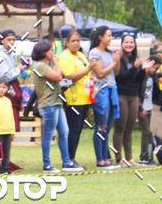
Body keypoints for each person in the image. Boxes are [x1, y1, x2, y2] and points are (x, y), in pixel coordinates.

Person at [32, 39, 84, 173]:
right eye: (50, 50)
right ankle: (47, 164)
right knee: (48, 135)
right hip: (48, 104)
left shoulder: (44, 66)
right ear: (44, 53)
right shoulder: (40, 66)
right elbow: (57, 76)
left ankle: (67, 162)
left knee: (64, 132)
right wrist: (56, 62)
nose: (52, 53)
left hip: (56, 103)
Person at [113, 33, 154, 166]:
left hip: (134, 96)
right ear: (122, 44)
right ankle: (119, 159)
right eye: (126, 42)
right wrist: (136, 67)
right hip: (121, 95)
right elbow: (121, 78)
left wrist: (143, 70)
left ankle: (129, 157)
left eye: (131, 42)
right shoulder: (119, 58)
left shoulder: (135, 58)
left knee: (129, 128)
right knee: (120, 127)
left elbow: (137, 80)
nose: (129, 45)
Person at [58, 29, 96, 165]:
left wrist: (90, 77)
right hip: (73, 99)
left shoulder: (80, 54)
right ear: (67, 43)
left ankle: (72, 157)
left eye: (78, 41)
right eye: (73, 41)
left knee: (78, 129)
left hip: (85, 97)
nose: (76, 44)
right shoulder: (65, 56)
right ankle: (68, 159)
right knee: (72, 130)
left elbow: (84, 72)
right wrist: (87, 70)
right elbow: (69, 77)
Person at [88, 26, 122, 168]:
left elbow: (117, 72)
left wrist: (117, 60)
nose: (111, 37)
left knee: (107, 126)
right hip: (101, 91)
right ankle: (100, 159)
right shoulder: (94, 52)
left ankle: (106, 158)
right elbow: (100, 73)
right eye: (108, 35)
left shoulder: (109, 52)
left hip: (112, 90)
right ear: (100, 37)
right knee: (100, 125)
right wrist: (114, 62)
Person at [0, 30, 22, 130]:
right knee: (4, 123)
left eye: (14, 40)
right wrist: (18, 69)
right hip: (4, 92)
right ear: (2, 41)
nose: (12, 42)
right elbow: (4, 77)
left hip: (11, 91)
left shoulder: (12, 54)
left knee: (11, 125)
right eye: (9, 39)